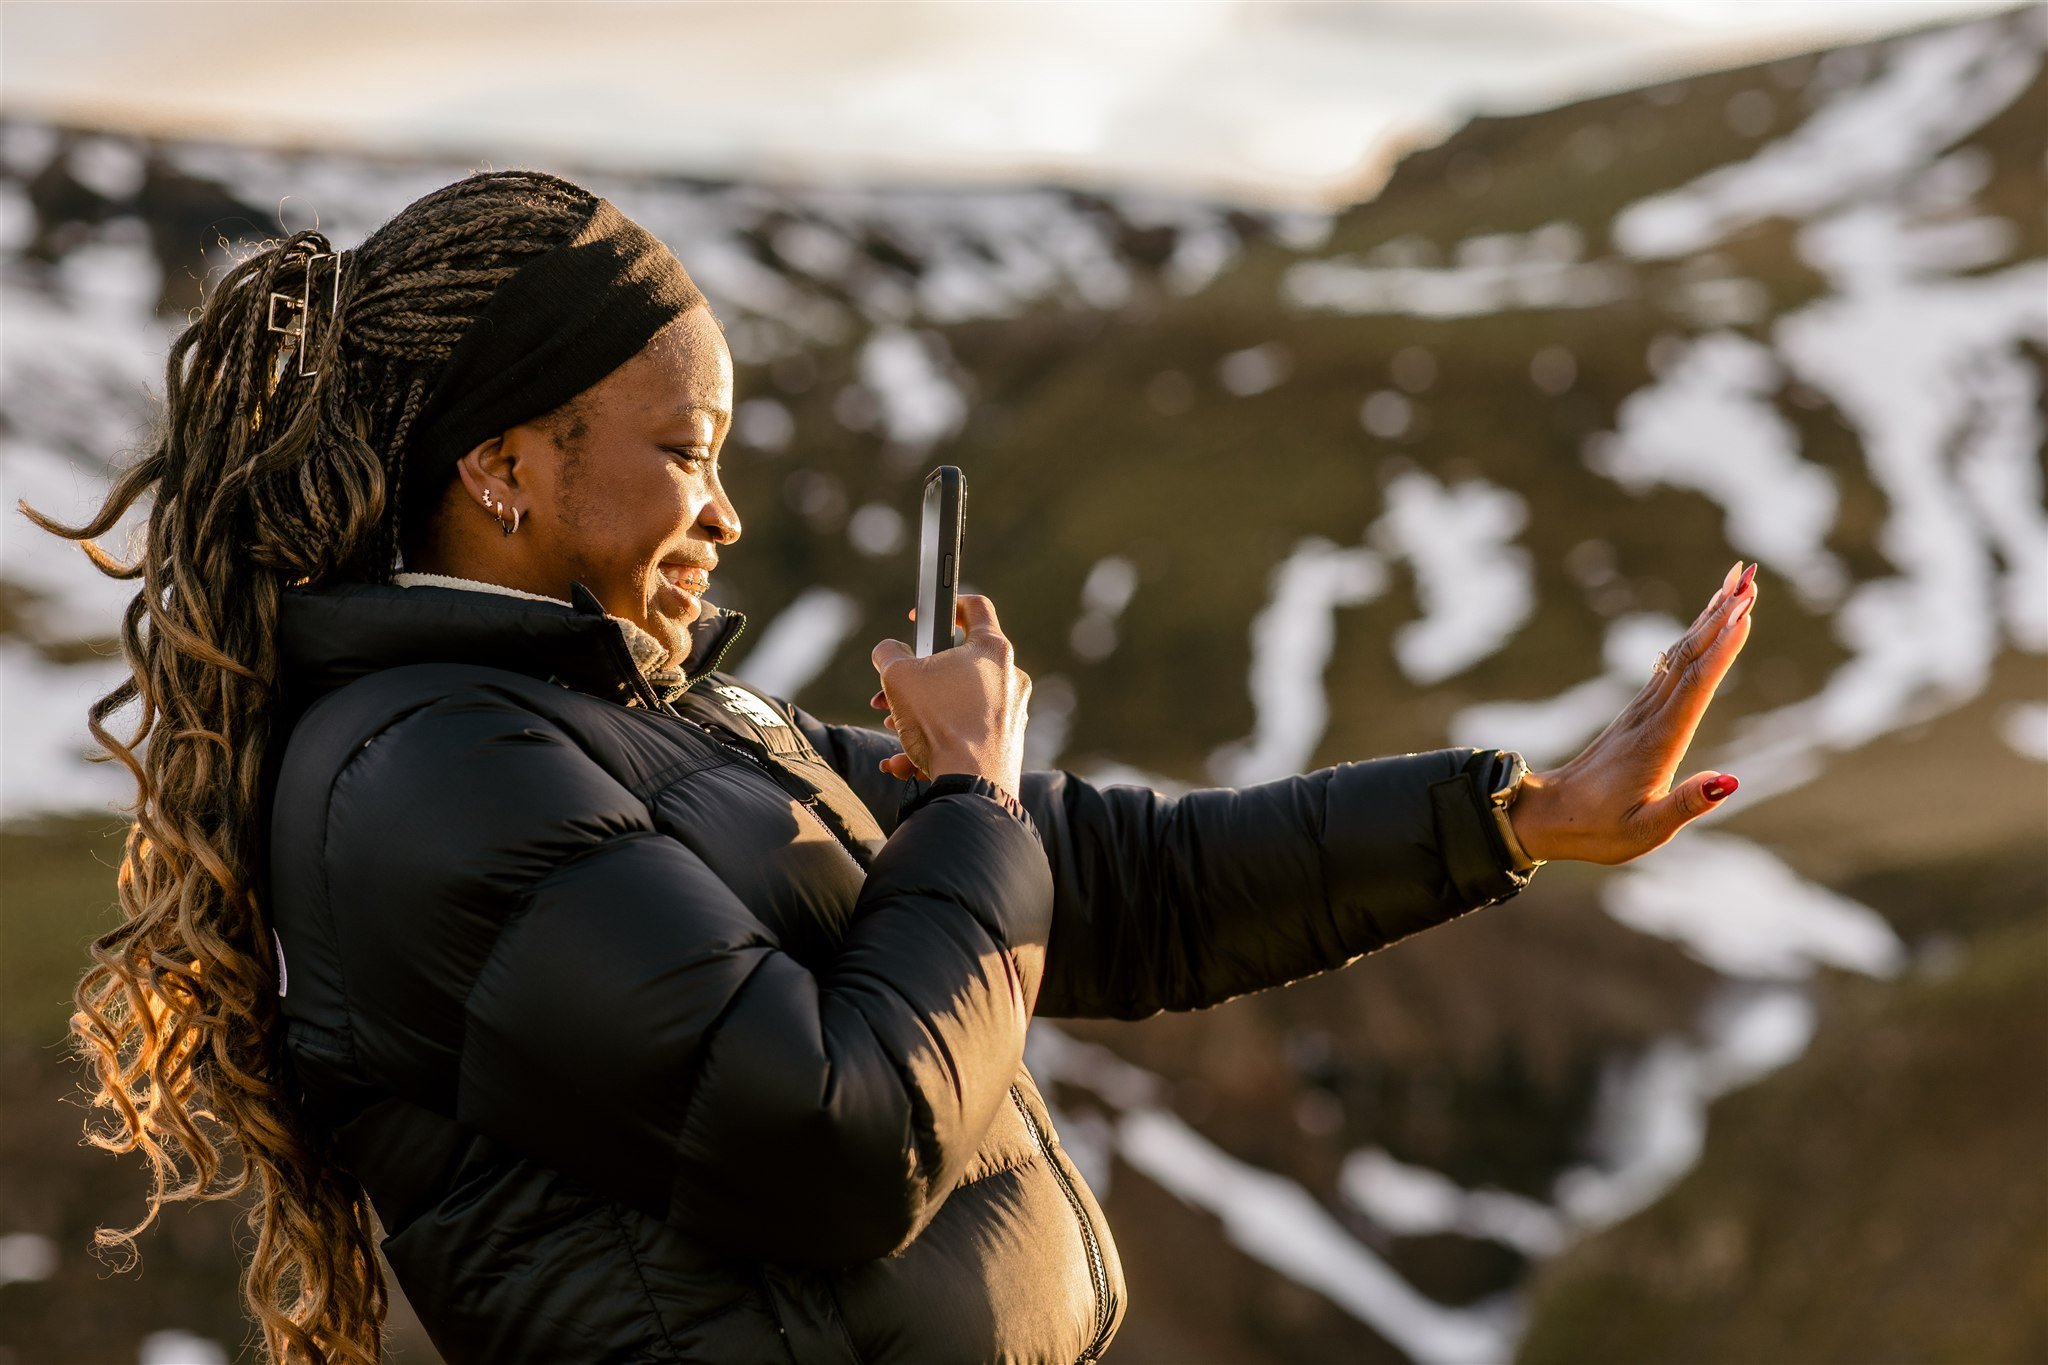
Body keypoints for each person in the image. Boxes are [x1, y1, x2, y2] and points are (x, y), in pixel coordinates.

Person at [27, 169, 1760, 1364]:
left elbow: (1119, 887)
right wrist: (968, 802)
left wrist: (1514, 817)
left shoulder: (634, 716)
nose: (724, 511)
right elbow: (835, 1125)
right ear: (503, 467)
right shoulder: (426, 781)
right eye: (684, 453)